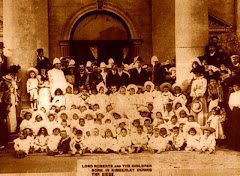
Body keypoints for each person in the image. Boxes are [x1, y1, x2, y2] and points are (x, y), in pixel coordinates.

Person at [228, 82, 240, 151]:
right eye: (234, 86)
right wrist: (233, 108)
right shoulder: (232, 94)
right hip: (234, 110)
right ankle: (234, 145)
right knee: (234, 126)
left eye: (236, 86)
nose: (235, 88)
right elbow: (230, 103)